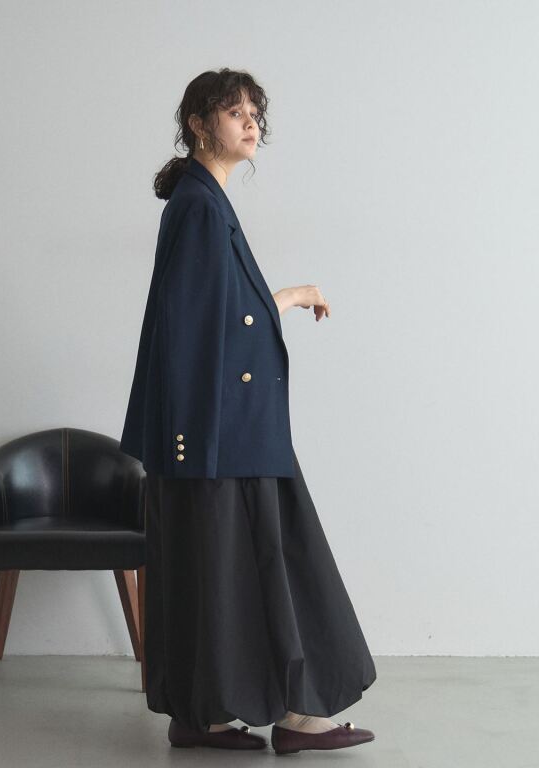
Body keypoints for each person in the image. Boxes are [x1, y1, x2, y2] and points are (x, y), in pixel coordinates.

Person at [119, 68, 377, 755]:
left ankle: (205, 716)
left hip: (223, 428)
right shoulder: (201, 207)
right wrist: (191, 444)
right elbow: (191, 326)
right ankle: (298, 717)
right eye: (235, 112)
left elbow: (221, 310)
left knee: (222, 568)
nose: (252, 123)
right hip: (222, 432)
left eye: (255, 113)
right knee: (271, 566)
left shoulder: (202, 201)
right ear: (200, 124)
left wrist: (285, 296)